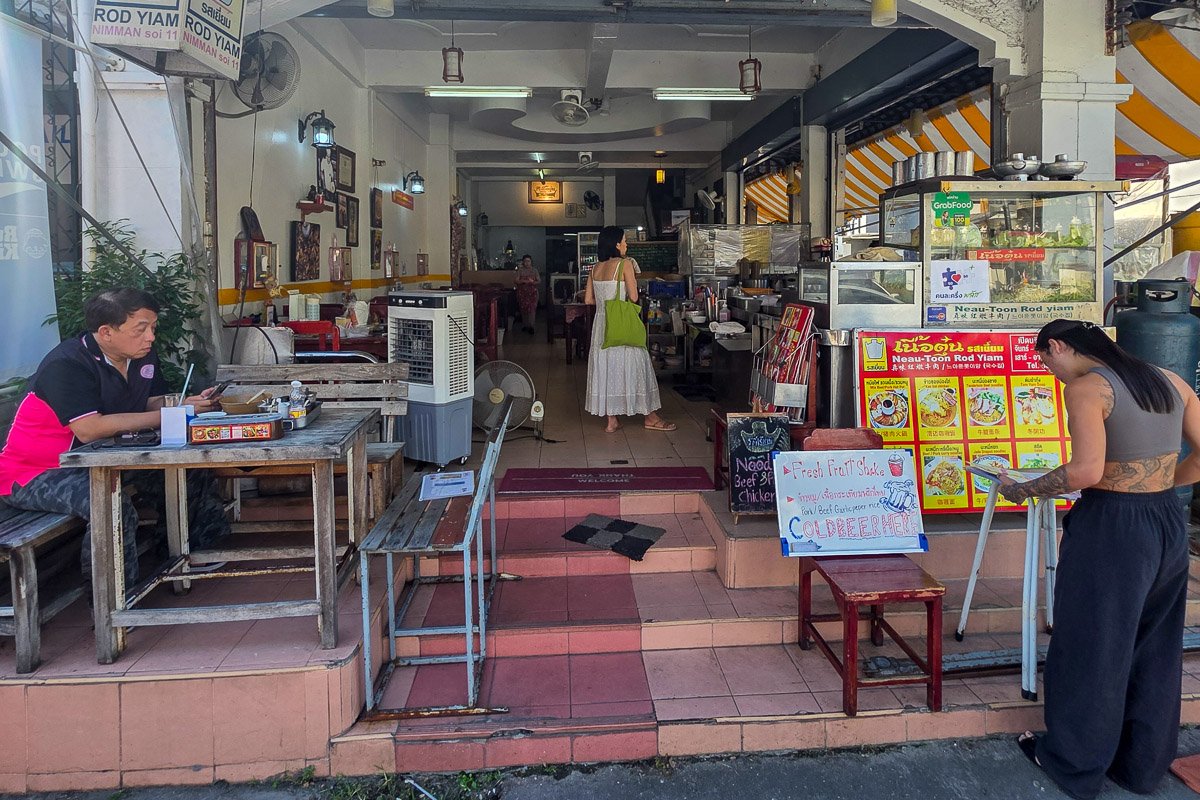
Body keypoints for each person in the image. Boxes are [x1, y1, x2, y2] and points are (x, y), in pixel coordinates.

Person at [998, 319, 1200, 800]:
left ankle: (1074, 763)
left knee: (1093, 644)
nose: (1050, 372)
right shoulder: (1169, 380)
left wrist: (1022, 489)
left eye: (1046, 360)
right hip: (1166, 524)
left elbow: (1085, 471)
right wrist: (1159, 487)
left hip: (1113, 528)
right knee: (1155, 647)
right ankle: (1141, 766)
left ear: (1059, 346)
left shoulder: (1089, 389)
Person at [0, 288, 231, 585]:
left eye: (153, 328)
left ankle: (182, 555)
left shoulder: (141, 356)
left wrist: (186, 404)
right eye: (141, 329)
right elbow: (89, 428)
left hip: (105, 459)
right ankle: (113, 599)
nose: (150, 337)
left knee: (187, 471)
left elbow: (151, 403)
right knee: (109, 502)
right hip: (37, 473)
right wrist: (171, 415)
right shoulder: (67, 364)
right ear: (106, 332)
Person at [584, 226, 676, 434]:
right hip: (621, 323)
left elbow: (589, 300)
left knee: (606, 369)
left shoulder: (595, 268)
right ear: (616, 244)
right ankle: (650, 417)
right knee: (636, 366)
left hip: (602, 324)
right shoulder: (625, 264)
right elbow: (633, 297)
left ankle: (611, 420)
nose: (626, 244)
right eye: (624, 241)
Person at [515, 254, 541, 334]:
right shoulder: (520, 270)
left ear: (531, 262)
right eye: (525, 261)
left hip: (532, 293)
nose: (527, 263)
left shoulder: (535, 270)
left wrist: (532, 282)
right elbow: (516, 281)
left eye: (528, 261)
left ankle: (531, 326)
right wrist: (523, 281)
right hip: (522, 293)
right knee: (523, 310)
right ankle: (525, 325)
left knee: (532, 309)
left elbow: (539, 281)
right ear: (523, 262)